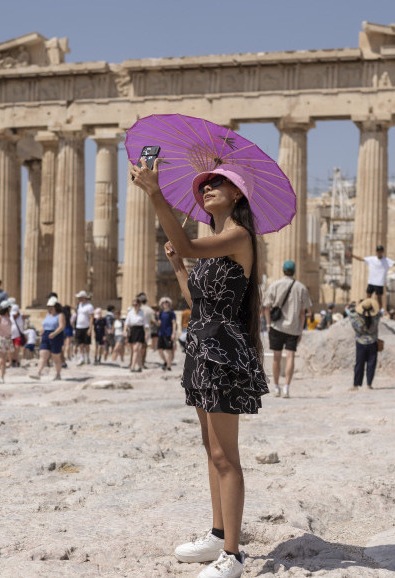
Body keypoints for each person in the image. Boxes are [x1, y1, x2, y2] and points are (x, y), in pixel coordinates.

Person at [132, 157, 268, 578]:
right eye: (203, 184)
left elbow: (191, 247)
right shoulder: (216, 244)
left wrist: (155, 193)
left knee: (227, 456)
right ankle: (216, 534)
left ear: (237, 193)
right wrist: (176, 265)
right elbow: (198, 304)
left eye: (216, 182)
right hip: (201, 349)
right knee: (211, 451)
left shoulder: (240, 236)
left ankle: (234, 554)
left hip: (224, 352)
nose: (205, 187)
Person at [262, 260, 312, 398]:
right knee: (290, 357)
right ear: (294, 271)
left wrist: (267, 324)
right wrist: (301, 330)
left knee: (276, 358)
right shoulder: (301, 287)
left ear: (283, 271)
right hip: (293, 328)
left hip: (276, 327)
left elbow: (266, 307)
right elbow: (304, 312)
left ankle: (276, 387)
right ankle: (287, 388)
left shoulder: (274, 285)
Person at [347, 245, 395, 310]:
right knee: (368, 295)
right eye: (378, 251)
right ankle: (367, 308)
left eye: (380, 251)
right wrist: (352, 255)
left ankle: (380, 310)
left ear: (382, 252)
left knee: (379, 298)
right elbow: (361, 259)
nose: (379, 253)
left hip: (379, 282)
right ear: (376, 252)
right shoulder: (372, 259)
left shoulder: (386, 260)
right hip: (371, 281)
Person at [350, 298, 382, 390]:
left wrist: (356, 306)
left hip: (360, 342)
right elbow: (378, 312)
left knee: (359, 364)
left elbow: (351, 315)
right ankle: (369, 384)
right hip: (372, 342)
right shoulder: (376, 318)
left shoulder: (357, 319)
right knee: (371, 364)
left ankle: (356, 384)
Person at [31, 296, 65, 381]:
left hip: (56, 336)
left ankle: (58, 374)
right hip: (46, 335)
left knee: (56, 357)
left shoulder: (60, 315)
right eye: (48, 306)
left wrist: (54, 333)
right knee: (42, 355)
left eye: (51, 306)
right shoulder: (47, 315)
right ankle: (38, 373)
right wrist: (41, 333)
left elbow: (61, 326)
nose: (49, 307)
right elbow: (45, 326)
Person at [125, 298, 148, 372]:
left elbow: (146, 324)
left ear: (139, 305)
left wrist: (146, 334)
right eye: (133, 304)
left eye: (136, 304)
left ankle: (132, 366)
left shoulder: (143, 313)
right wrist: (124, 331)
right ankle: (139, 366)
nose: (134, 306)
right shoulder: (130, 313)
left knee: (135, 349)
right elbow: (126, 323)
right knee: (136, 350)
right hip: (133, 330)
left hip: (140, 331)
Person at [157, 296, 178, 372]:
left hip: (168, 333)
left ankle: (169, 366)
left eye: (166, 302)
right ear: (161, 304)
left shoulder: (171, 313)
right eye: (163, 302)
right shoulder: (161, 313)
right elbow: (159, 323)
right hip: (161, 333)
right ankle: (166, 361)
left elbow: (174, 323)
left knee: (168, 350)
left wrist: (173, 333)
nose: (165, 304)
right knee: (159, 350)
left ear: (169, 303)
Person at [73, 290, 94, 366]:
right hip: (79, 327)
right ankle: (82, 358)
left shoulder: (89, 306)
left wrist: (90, 328)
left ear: (84, 298)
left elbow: (91, 318)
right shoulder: (79, 305)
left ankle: (87, 357)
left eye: (80, 298)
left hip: (86, 327)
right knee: (80, 343)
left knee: (87, 344)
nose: (79, 299)